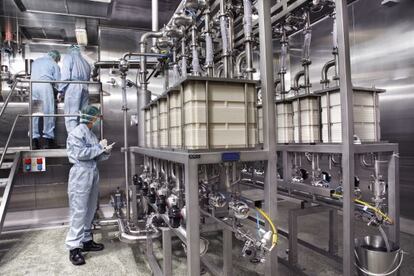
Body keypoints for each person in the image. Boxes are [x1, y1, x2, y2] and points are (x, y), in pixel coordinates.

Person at [65, 105, 114, 265]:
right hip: (80, 174)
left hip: (92, 172)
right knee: (79, 211)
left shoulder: (91, 134)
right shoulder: (77, 133)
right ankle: (74, 248)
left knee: (91, 208)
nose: (98, 120)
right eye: (97, 117)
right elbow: (81, 154)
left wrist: (105, 151)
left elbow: (95, 156)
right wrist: (99, 147)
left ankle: (86, 240)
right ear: (91, 118)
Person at [30, 50, 61, 149]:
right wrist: (59, 92)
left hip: (33, 86)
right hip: (45, 87)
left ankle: (34, 140)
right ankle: (49, 140)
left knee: (35, 113)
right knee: (48, 112)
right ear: (56, 58)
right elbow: (57, 81)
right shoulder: (53, 64)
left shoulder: (36, 61)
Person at [59, 44, 91, 133]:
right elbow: (88, 78)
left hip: (74, 87)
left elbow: (65, 76)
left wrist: (61, 90)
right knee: (83, 117)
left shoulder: (69, 57)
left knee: (71, 116)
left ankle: (74, 142)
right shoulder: (85, 62)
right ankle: (82, 140)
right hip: (85, 87)